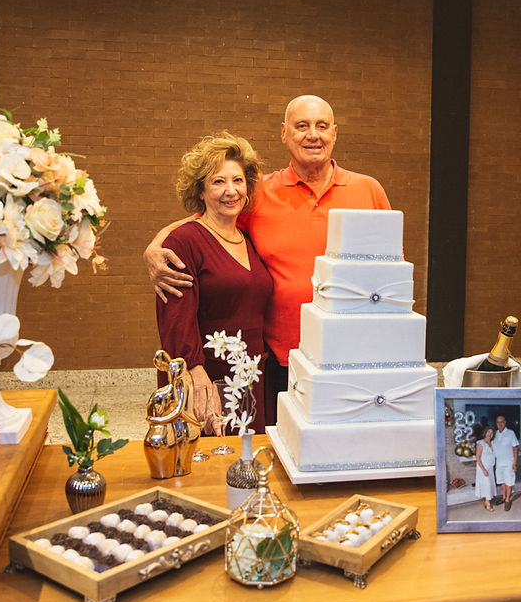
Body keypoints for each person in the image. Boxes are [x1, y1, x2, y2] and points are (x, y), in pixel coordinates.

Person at [145, 95, 391, 424]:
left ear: (334, 133)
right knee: (280, 444)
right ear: (284, 133)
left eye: (321, 126)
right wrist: (154, 245)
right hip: (280, 359)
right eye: (301, 126)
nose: (313, 134)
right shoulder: (259, 194)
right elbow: (204, 222)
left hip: (351, 355)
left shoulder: (369, 190)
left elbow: (390, 273)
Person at [154, 132, 273, 434]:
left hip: (249, 377)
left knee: (245, 455)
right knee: (211, 457)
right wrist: (195, 374)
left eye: (238, 180)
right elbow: (175, 317)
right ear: (201, 191)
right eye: (218, 181)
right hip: (207, 378)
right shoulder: (184, 241)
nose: (230, 190)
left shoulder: (249, 239)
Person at [493, 415, 519, 511]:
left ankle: (508, 500)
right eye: (498, 422)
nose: (500, 424)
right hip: (499, 463)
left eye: (502, 422)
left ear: (505, 422)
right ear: (496, 424)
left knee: (508, 482)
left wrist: (514, 463)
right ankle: (503, 497)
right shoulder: (495, 434)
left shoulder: (510, 433)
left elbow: (515, 449)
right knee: (502, 481)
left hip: (509, 463)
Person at [475, 426, 497, 511]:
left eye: (491, 433)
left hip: (490, 468)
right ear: (485, 433)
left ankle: (486, 499)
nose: (490, 434)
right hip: (483, 468)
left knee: (489, 484)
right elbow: (478, 458)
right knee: (487, 484)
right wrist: (483, 469)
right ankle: (488, 503)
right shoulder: (481, 443)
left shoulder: (492, 443)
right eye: (488, 432)